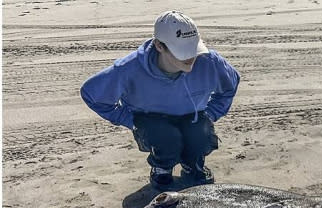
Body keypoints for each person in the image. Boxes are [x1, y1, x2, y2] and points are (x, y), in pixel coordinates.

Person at [80, 11, 240, 190]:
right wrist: (130, 120)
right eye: (182, 51)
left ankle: (193, 165)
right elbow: (91, 94)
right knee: (167, 138)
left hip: (193, 117)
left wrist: (211, 113)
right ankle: (161, 169)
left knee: (200, 135)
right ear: (159, 46)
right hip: (151, 121)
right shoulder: (129, 69)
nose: (190, 57)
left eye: (193, 48)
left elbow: (231, 84)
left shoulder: (210, 62)